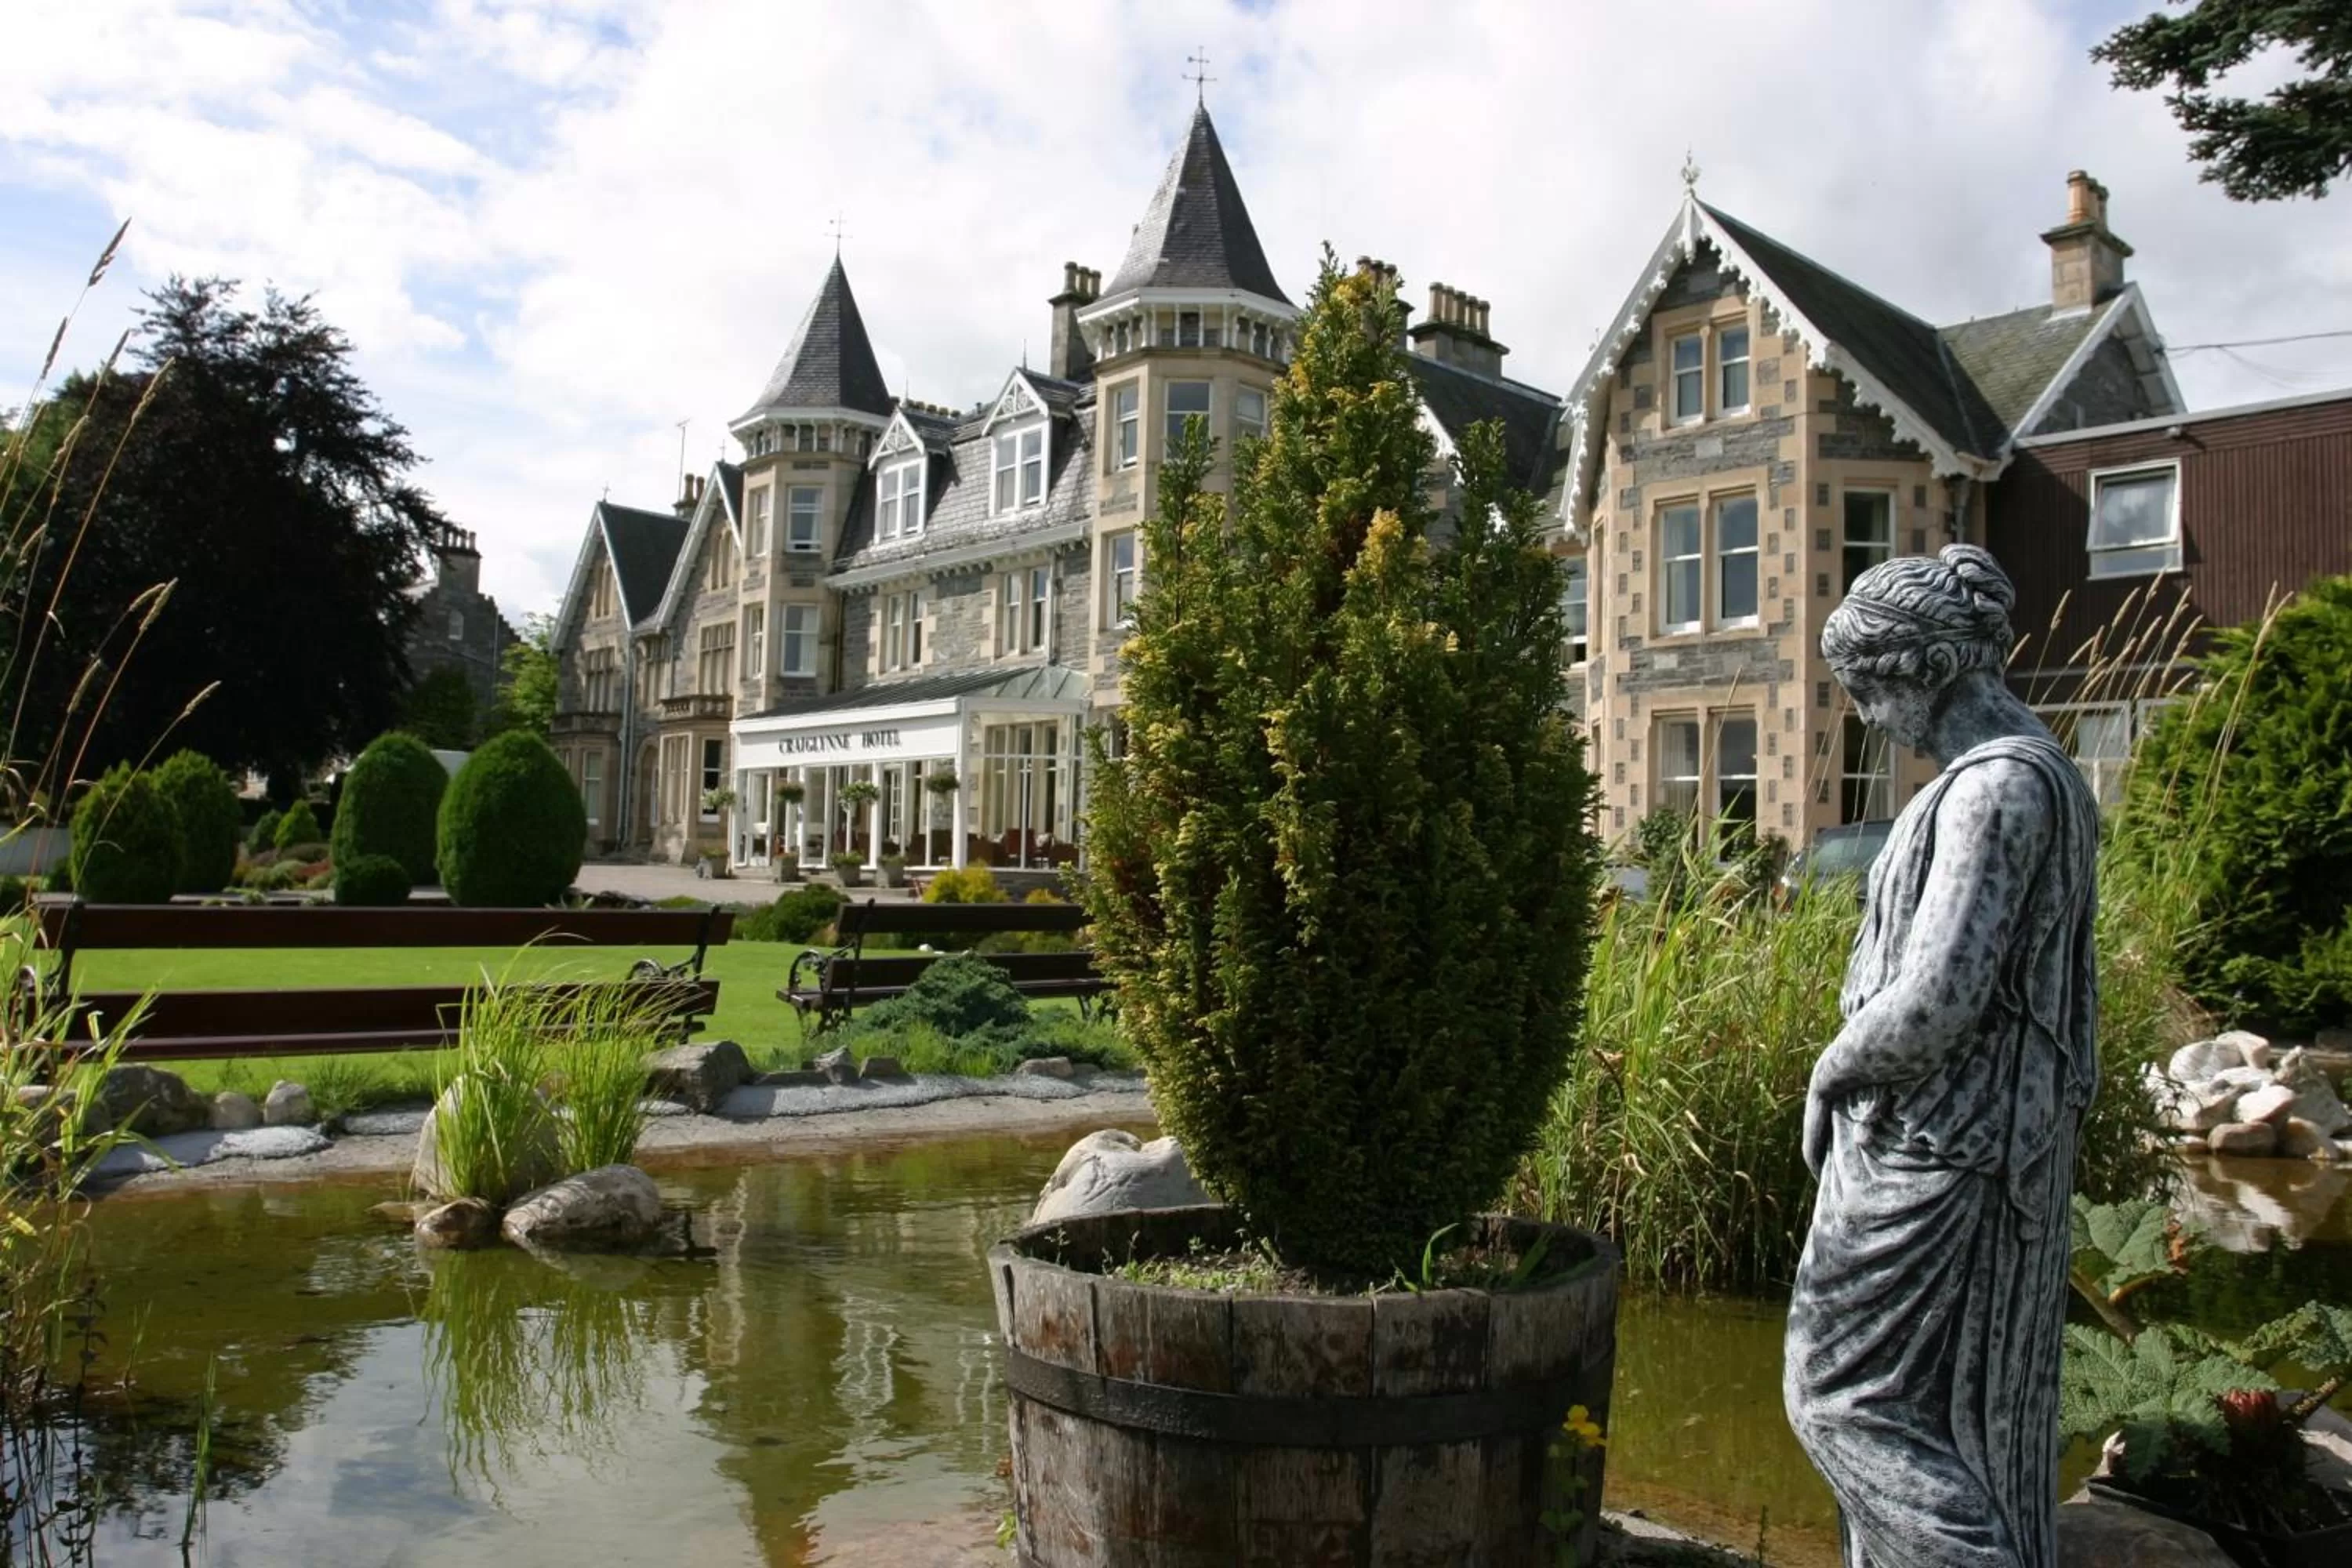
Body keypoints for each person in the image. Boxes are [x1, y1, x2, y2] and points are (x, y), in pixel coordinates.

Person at [1784, 544, 2100, 1568]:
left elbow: (1939, 999)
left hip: (1934, 1148)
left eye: (1868, 691)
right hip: (1955, 1144)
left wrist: (1832, 1069)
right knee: (1951, 1408)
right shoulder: (2032, 775)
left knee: (1840, 1396)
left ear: (1920, 668)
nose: (1869, 717)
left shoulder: (1992, 792)